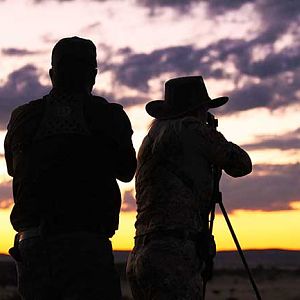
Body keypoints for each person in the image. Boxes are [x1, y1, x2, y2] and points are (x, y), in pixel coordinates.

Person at [4, 36, 137, 300]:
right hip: (85, 247)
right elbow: (127, 170)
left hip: (31, 246)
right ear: (93, 75)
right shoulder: (107, 115)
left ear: (52, 74)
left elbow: (12, 169)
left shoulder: (23, 117)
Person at [126, 76, 252, 300]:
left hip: (140, 254)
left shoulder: (151, 139)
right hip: (174, 256)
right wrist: (212, 133)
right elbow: (241, 164)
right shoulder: (191, 129)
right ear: (199, 110)